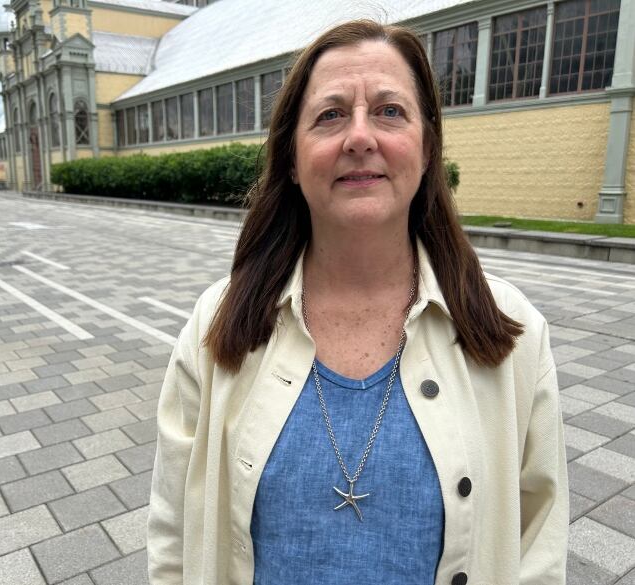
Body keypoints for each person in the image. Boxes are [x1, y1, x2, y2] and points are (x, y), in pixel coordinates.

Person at [147, 19, 568, 585]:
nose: (360, 137)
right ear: (293, 161)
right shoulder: (216, 325)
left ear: (425, 151)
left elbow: (539, 542)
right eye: (331, 114)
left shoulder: (514, 332)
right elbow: (174, 535)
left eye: (391, 111)